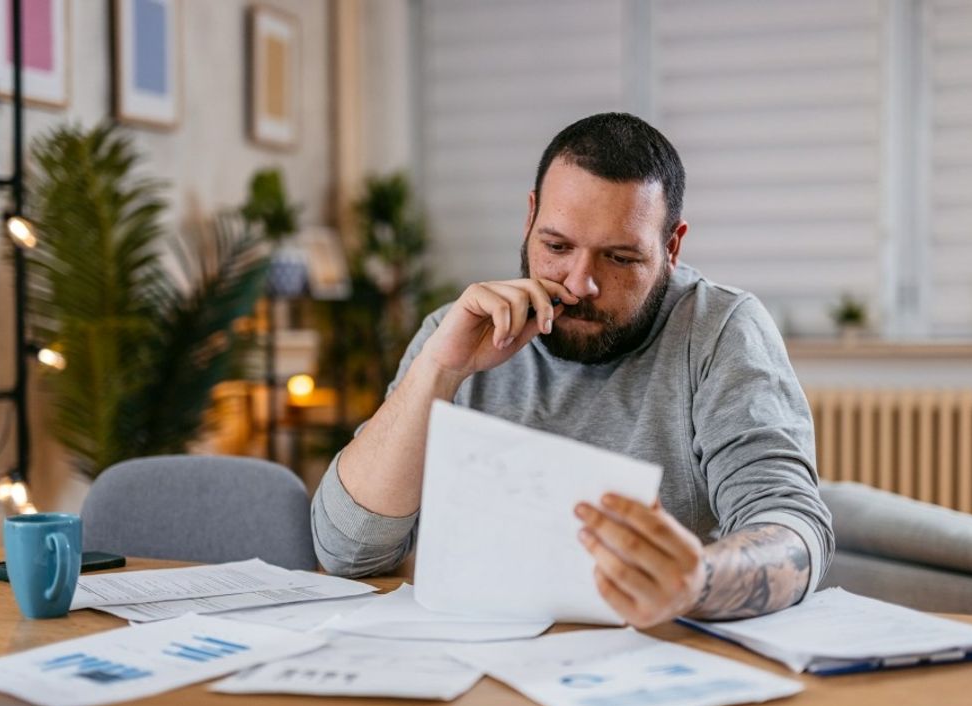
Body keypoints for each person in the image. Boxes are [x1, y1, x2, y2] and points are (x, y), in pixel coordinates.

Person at [311, 112, 833, 627]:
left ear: (671, 247)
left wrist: (698, 580)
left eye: (620, 259)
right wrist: (440, 371)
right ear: (530, 219)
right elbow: (346, 554)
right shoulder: (459, 331)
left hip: (650, 666)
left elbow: (792, 529)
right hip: (477, 658)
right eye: (557, 247)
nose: (580, 283)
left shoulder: (719, 331)